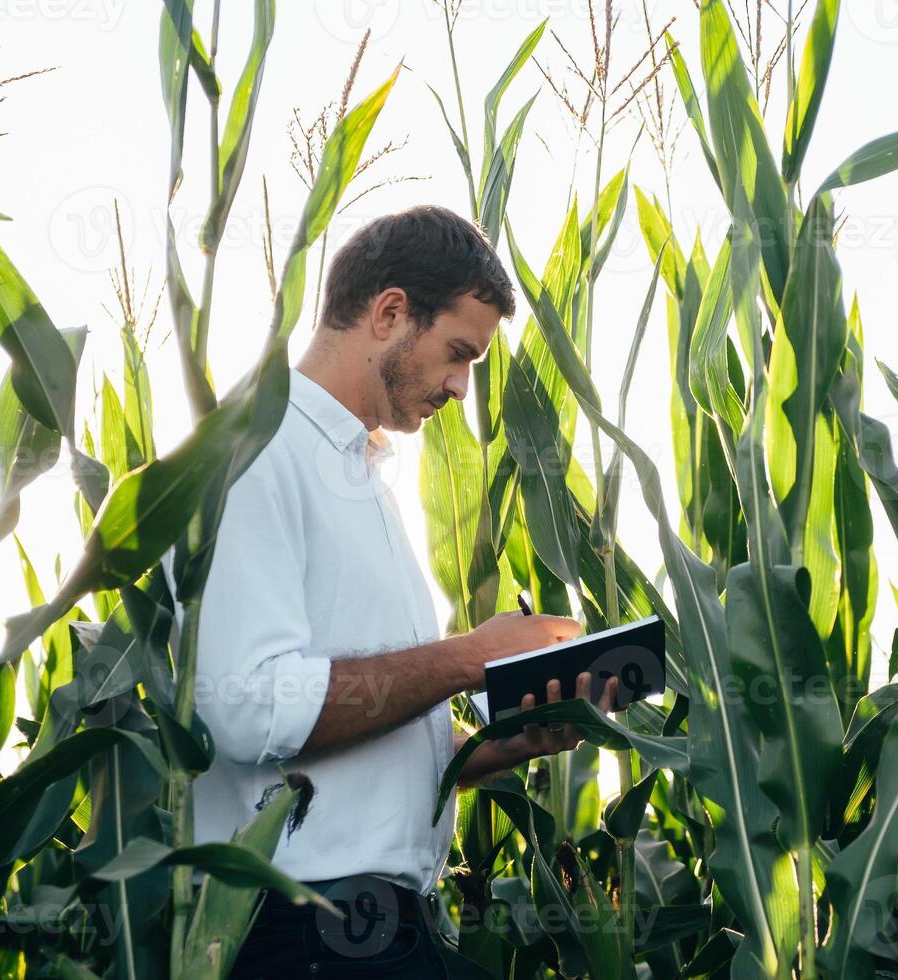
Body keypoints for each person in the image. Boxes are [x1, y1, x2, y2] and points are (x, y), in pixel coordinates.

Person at [189, 205, 610, 978]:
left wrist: (491, 747)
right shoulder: (258, 453)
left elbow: (353, 751)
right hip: (303, 925)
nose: (459, 386)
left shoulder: (362, 478)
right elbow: (249, 711)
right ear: (389, 313)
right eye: (457, 354)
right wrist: (467, 659)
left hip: (381, 925)